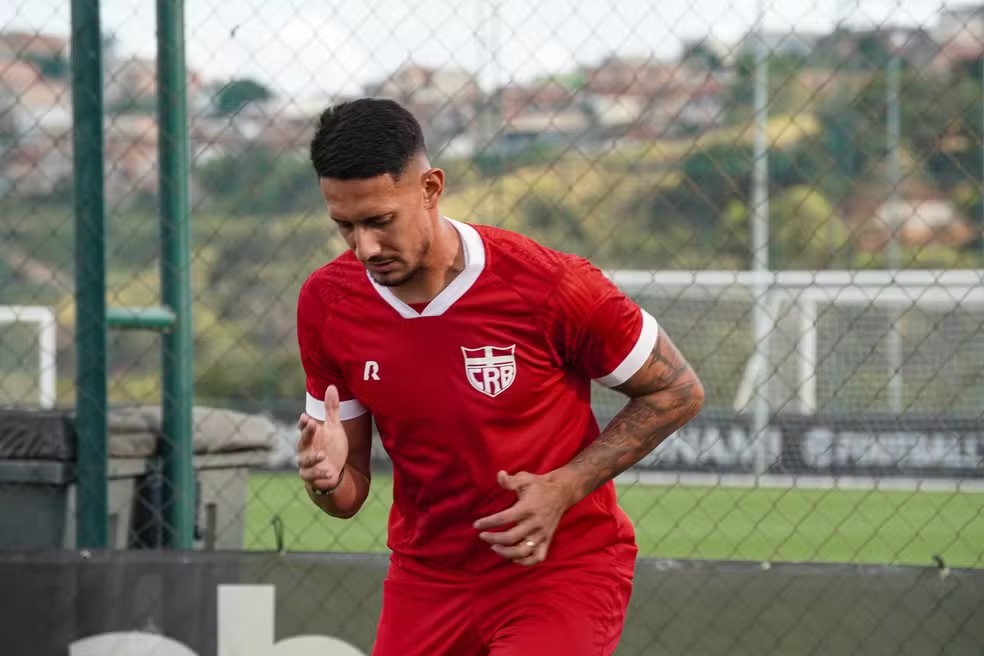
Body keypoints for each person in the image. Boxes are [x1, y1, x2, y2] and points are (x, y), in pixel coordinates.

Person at [295, 97, 704, 656]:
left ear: (430, 189)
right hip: (427, 580)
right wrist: (326, 477)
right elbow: (348, 496)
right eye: (344, 226)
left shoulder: (551, 286)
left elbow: (677, 389)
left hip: (560, 569)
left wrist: (564, 487)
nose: (364, 246)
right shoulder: (326, 303)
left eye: (380, 221)